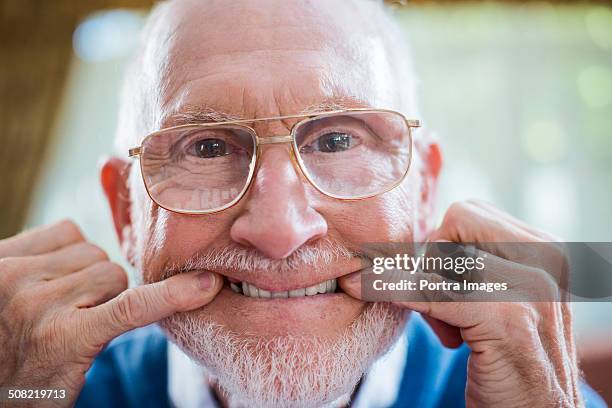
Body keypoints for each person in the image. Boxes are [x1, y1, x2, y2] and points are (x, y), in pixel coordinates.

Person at [0, 0, 605, 407]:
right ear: (128, 215)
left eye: (339, 140)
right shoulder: (42, 391)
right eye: (207, 146)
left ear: (422, 193)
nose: (280, 230)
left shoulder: (523, 392)